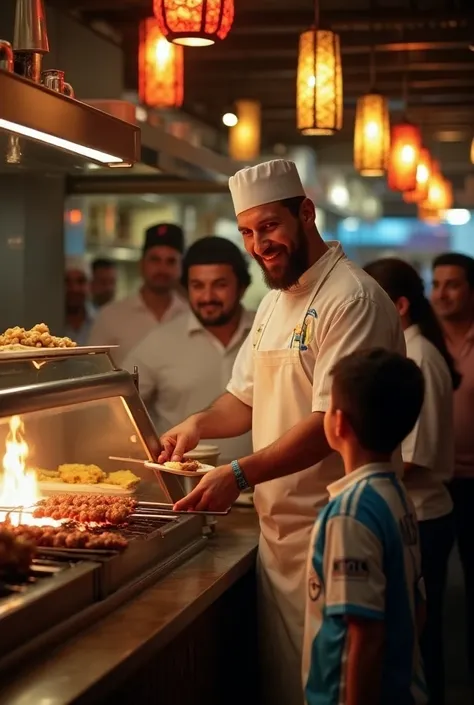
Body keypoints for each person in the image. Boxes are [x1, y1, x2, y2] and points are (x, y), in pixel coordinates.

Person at [158, 159, 405, 705]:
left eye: (268, 226)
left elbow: (331, 422)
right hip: (279, 540)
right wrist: (197, 424)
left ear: (306, 213)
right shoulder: (272, 301)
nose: (258, 244)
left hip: (337, 530)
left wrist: (238, 474)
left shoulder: (352, 298)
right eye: (247, 232)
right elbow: (243, 398)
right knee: (292, 687)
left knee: (342, 686)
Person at [303, 348, 427, 705]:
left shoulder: (350, 513)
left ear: (337, 423)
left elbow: (366, 634)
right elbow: (417, 606)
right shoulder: (396, 494)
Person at [365, 258, 459, 705]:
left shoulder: (416, 356)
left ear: (399, 306)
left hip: (422, 515)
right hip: (419, 512)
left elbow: (415, 457)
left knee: (417, 636)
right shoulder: (412, 351)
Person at [123, 236, 254, 462]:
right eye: (197, 286)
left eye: (220, 285)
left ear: (242, 287)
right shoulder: (159, 342)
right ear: (186, 289)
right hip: (184, 483)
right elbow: (121, 404)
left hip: (259, 483)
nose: (208, 297)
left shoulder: (267, 332)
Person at [431, 252, 474, 683]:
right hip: (436, 483)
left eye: (453, 284)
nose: (441, 293)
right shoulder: (425, 342)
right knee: (433, 593)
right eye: (436, 283)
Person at [88, 223, 188, 365]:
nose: (162, 268)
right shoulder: (110, 316)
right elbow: (92, 371)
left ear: (181, 267)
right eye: (155, 260)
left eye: (171, 261)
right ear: (141, 264)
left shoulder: (191, 316)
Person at [64, 256, 95, 346]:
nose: (74, 289)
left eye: (81, 281)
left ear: (90, 285)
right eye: (67, 282)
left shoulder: (100, 321)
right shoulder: (48, 322)